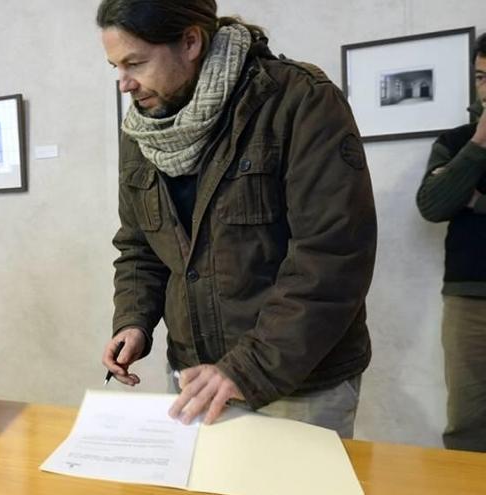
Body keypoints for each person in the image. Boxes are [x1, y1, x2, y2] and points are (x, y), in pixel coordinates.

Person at [97, 0, 377, 438]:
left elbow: (333, 256)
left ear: (190, 41)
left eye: (135, 62)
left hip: (298, 385)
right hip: (195, 378)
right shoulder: (142, 130)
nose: (124, 83)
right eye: (115, 65)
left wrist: (247, 368)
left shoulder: (299, 100)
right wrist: (133, 320)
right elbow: (139, 245)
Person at [415, 33, 486, 452]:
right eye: (481, 77)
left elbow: (455, 198)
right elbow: (432, 204)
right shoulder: (457, 141)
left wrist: (473, 199)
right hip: (468, 302)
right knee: (468, 425)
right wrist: (478, 145)